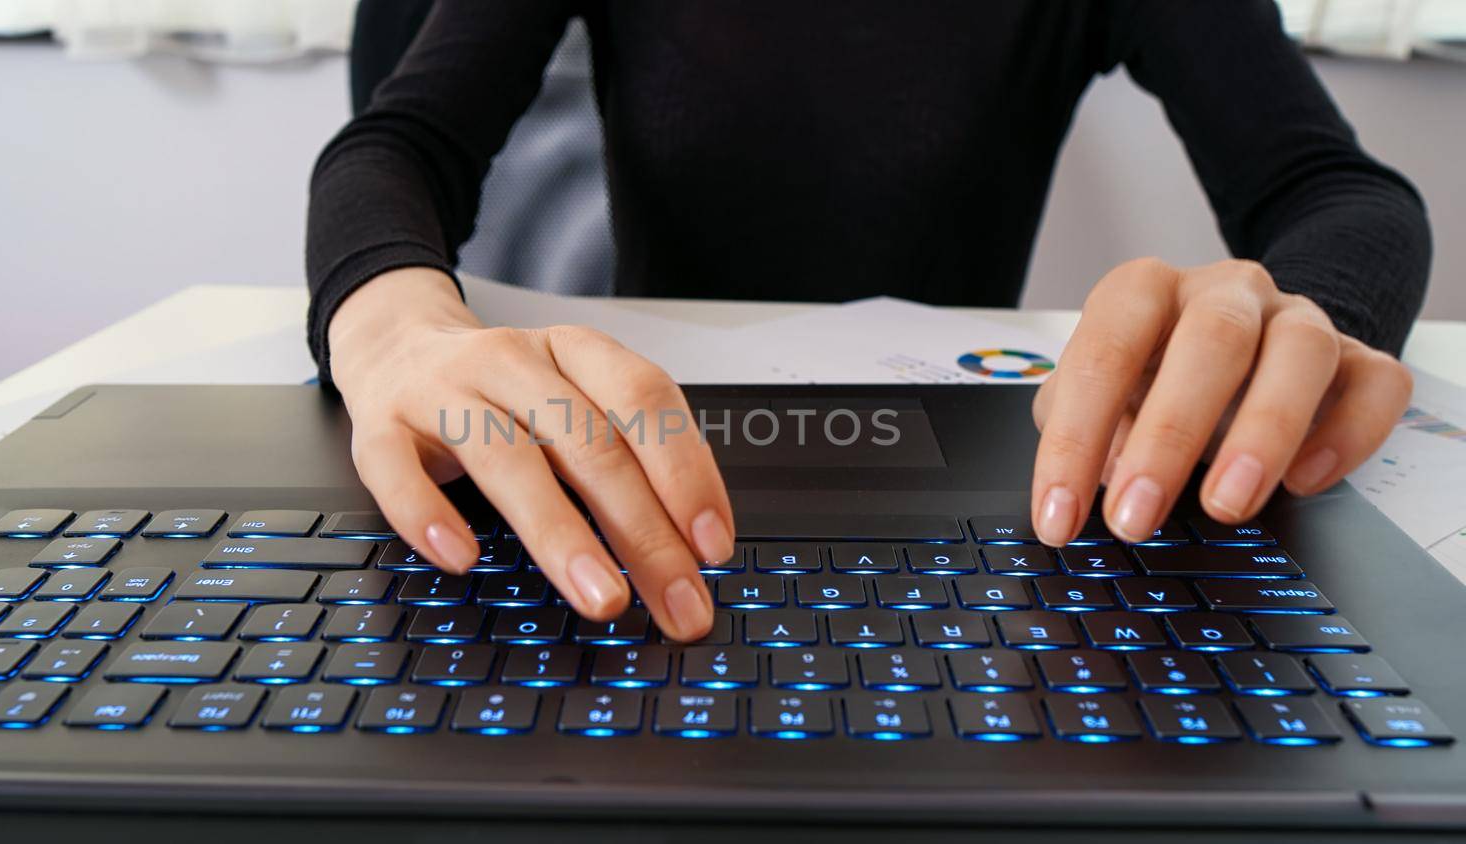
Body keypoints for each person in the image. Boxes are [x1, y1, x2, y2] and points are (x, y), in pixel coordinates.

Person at [305, 1, 1429, 642]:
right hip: (643, 476)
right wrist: (394, 326)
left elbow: (1337, 190)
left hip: (971, 537)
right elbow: (402, 141)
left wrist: (1296, 324)